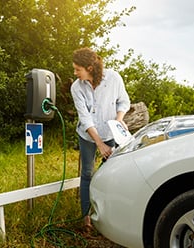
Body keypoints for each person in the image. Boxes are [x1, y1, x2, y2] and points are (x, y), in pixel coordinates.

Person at [70, 47, 131, 229]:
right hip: (88, 136)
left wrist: (119, 120)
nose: (75, 73)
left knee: (110, 173)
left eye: (77, 69)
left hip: (110, 132)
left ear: (89, 67)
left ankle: (107, 214)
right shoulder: (77, 87)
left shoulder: (113, 78)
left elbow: (123, 101)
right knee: (87, 173)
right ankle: (85, 217)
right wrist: (99, 143)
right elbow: (85, 118)